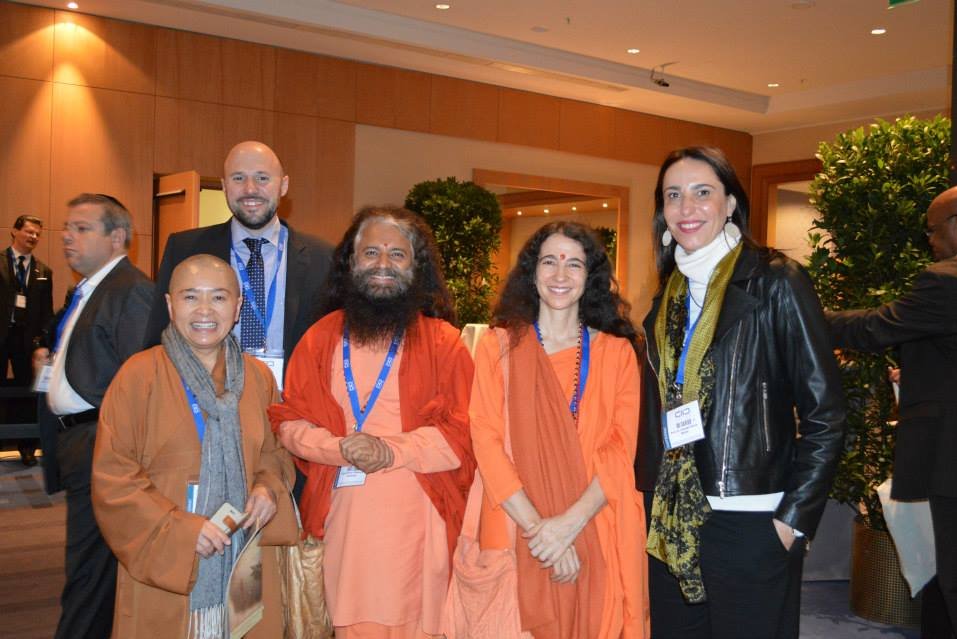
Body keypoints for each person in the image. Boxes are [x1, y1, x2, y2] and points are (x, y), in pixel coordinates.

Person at [636, 146, 845, 639]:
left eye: (702, 192)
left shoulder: (776, 281)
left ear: (730, 203)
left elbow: (826, 411)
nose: (686, 207)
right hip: (674, 517)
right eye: (673, 195)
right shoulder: (668, 297)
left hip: (752, 516)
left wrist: (793, 520)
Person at [269, 205, 475, 639]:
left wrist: (390, 450)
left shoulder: (445, 343)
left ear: (416, 267)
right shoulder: (320, 338)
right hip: (345, 529)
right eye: (371, 253)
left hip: (421, 531)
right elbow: (288, 421)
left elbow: (464, 433)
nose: (383, 264)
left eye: (397, 254)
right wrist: (338, 448)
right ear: (351, 262)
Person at [91, 254, 298, 638]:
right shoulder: (138, 375)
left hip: (244, 555)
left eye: (218, 297)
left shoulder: (257, 378)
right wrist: (181, 530)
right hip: (167, 561)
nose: (205, 310)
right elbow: (113, 477)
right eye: (190, 297)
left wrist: (268, 487)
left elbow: (275, 453)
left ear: (237, 307)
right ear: (170, 305)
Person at [469, 221, 649, 638]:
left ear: (590, 277)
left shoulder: (617, 353)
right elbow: (486, 440)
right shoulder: (498, 347)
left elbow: (622, 449)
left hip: (596, 521)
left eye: (574, 264)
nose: (560, 274)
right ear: (532, 273)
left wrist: (567, 526)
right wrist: (541, 533)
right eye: (549, 262)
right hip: (516, 521)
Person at [826, 184, 957, 639]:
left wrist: (802, 315)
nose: (929, 241)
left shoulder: (946, 280)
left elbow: (875, 327)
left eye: (932, 230)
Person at [33, 194, 154, 639]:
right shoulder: (90, 288)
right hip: (77, 441)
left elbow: (140, 383)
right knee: (91, 569)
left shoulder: (131, 291)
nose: (67, 236)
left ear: (117, 237)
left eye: (82, 228)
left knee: (89, 572)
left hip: (101, 444)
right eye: (68, 227)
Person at [146, 140, 333, 387]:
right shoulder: (184, 249)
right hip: (204, 399)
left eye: (262, 178)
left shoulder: (324, 258)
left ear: (283, 185)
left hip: (293, 400)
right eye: (238, 178)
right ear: (224, 186)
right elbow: (158, 337)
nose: (250, 189)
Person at [0, 214, 52, 465]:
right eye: (29, 231)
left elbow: (46, 312)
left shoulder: (44, 271)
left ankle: (27, 447)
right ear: (14, 231)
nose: (33, 237)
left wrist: (42, 343)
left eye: (37, 234)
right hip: (1, 335)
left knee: (26, 392)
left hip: (26, 340)